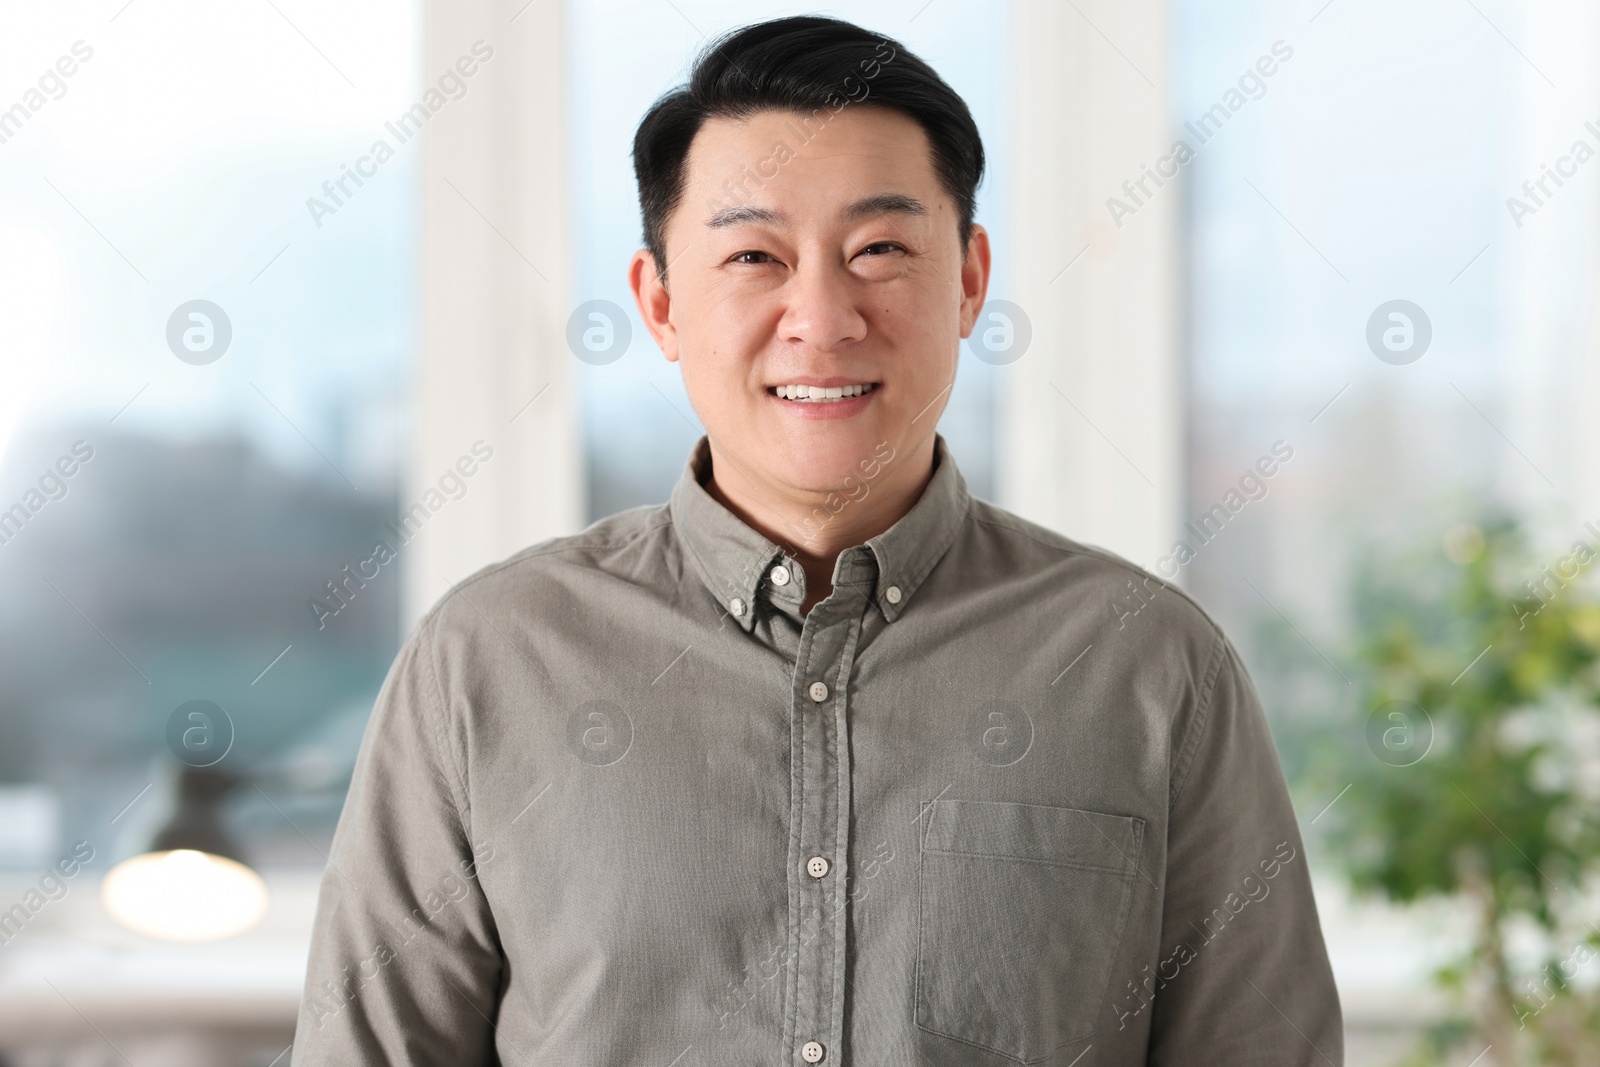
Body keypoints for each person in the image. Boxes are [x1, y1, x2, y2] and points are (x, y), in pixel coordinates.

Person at [291, 15, 1343, 1066]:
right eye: (754, 255)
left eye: (879, 250)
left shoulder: (1149, 665)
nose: (822, 316)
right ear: (659, 303)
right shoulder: (484, 661)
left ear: (970, 280)